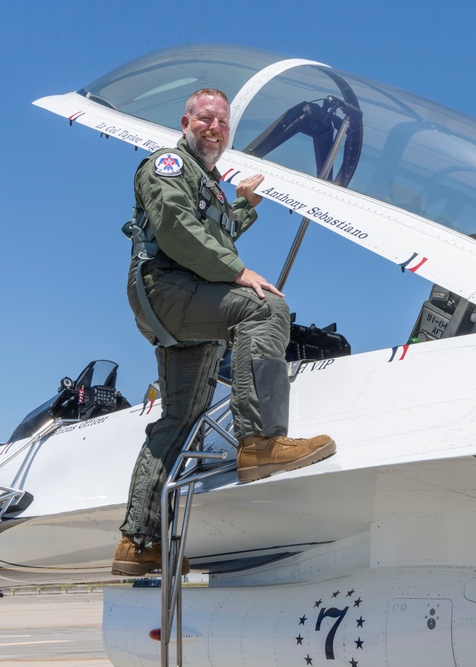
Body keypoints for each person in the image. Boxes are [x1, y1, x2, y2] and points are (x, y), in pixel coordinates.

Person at [112, 88, 336, 577]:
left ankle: (138, 542)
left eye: (223, 123)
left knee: (180, 417)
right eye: (207, 119)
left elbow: (210, 231)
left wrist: (244, 205)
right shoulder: (167, 165)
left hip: (181, 301)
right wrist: (237, 273)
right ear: (187, 121)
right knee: (266, 308)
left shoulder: (207, 182)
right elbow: (175, 229)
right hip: (171, 292)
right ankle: (259, 441)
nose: (215, 128)